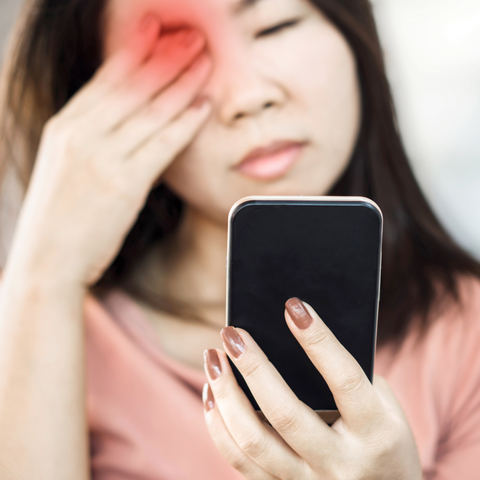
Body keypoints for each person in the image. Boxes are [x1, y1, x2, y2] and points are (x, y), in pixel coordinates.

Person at [0, 0, 479, 478]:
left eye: (275, 25)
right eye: (181, 53)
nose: (248, 95)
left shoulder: (466, 336)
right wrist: (42, 277)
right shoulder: (51, 331)